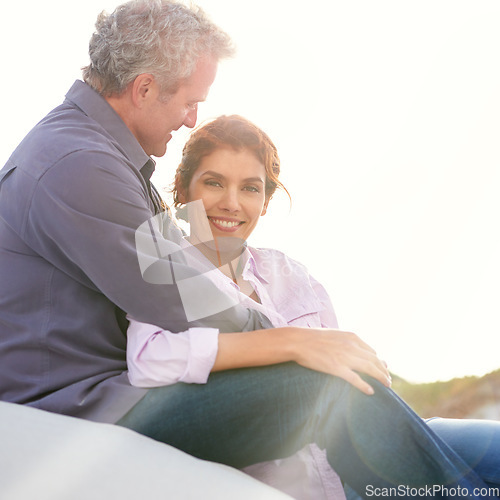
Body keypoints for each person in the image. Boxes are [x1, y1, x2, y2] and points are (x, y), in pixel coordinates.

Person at [0, 1, 498, 498]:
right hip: (82, 408)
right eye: (189, 101)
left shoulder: (96, 155)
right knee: (326, 391)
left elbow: (182, 275)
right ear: (145, 87)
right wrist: (293, 342)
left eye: (253, 188)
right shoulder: (80, 164)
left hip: (109, 394)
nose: (193, 118)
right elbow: (183, 300)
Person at [124, 114, 500, 498]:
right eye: (214, 183)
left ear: (266, 201)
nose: (231, 203)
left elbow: (342, 366)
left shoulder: (289, 273)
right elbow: (148, 357)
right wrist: (289, 345)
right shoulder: (167, 266)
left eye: (251, 188)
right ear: (183, 190)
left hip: (365, 443)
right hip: (299, 475)